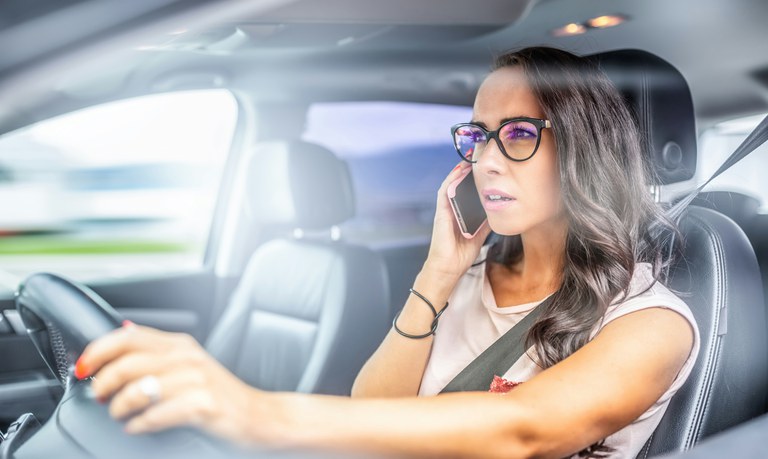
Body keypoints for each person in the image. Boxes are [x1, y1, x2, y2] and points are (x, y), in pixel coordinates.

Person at [74, 47, 699, 458]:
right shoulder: (470, 277)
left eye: (516, 134)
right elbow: (372, 414)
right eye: (476, 136)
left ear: (584, 150)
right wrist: (438, 274)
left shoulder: (651, 321)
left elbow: (524, 431)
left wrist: (253, 410)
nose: (484, 160)